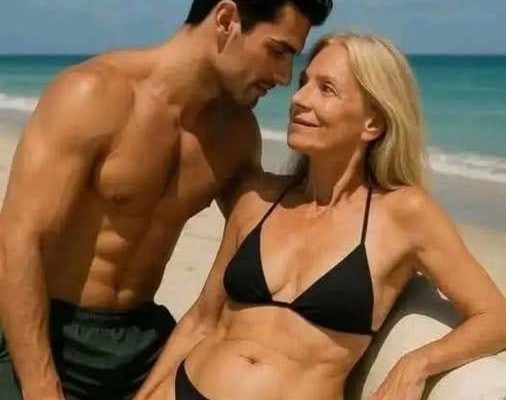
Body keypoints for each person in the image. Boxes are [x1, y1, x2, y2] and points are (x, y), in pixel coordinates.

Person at [134, 32, 506, 400]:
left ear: (372, 123)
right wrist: (148, 394)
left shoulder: (404, 214)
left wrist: (417, 364)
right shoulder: (259, 198)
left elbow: (495, 317)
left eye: (326, 89)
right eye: (303, 83)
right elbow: (202, 319)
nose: (299, 98)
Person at [0, 1, 333, 399]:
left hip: (139, 340)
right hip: (39, 328)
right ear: (226, 20)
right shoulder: (93, 95)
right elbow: (17, 240)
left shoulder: (235, 135)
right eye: (277, 51)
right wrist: (40, 387)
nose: (284, 76)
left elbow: (268, 234)